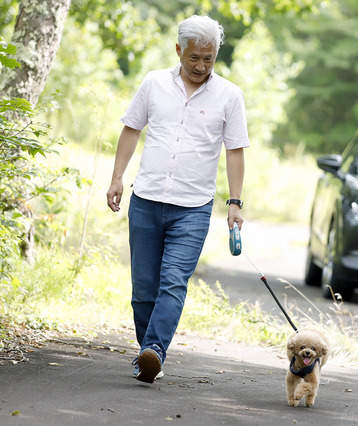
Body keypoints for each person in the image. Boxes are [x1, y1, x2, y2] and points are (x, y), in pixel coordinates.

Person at [106, 15, 249, 384]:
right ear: (178, 50)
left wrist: (235, 202)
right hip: (147, 199)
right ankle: (147, 355)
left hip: (194, 207)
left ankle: (154, 350)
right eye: (194, 58)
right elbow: (131, 129)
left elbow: (235, 151)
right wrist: (117, 177)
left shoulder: (230, 95)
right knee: (143, 290)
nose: (201, 66)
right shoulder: (153, 83)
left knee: (172, 281)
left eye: (209, 59)